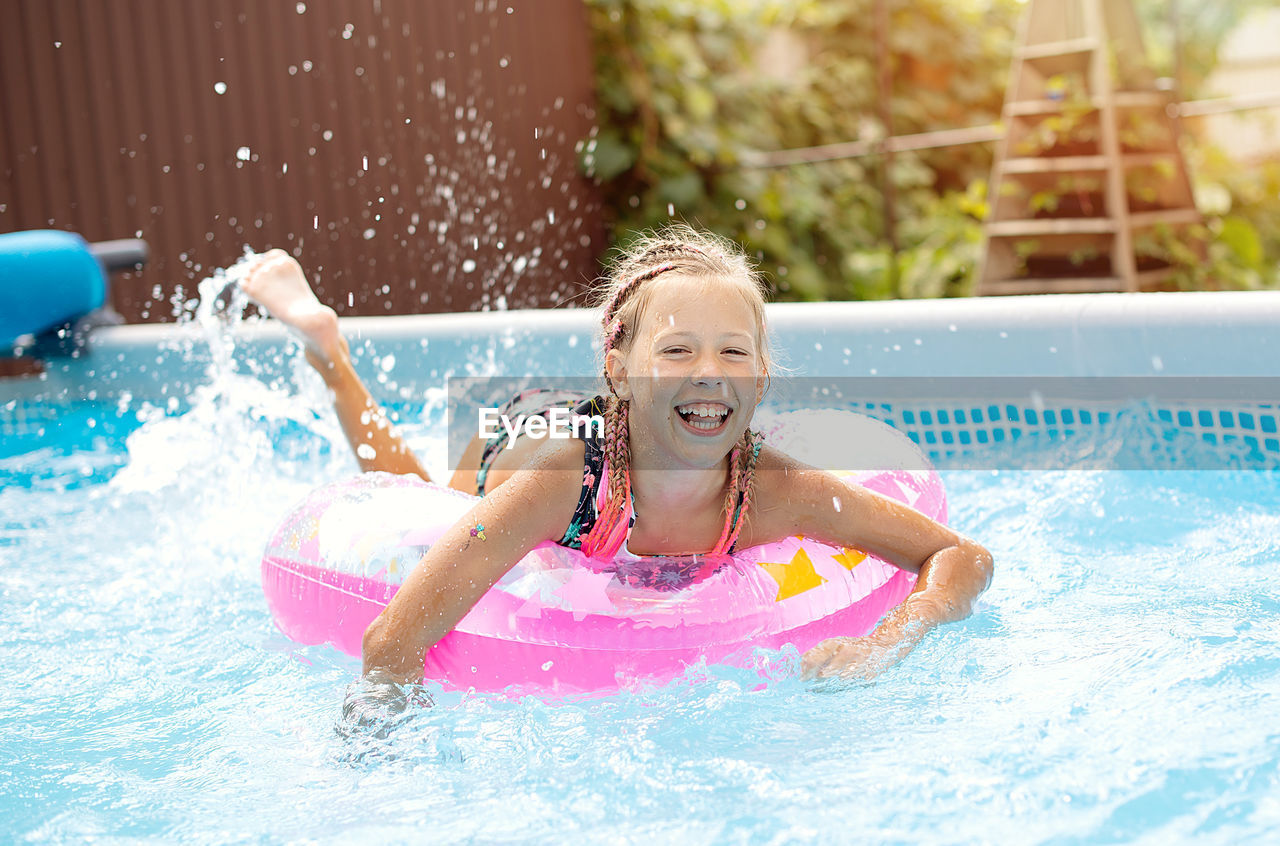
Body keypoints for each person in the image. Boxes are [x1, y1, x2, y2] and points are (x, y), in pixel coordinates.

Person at [241, 227, 992, 687]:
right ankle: (330, 352)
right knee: (418, 494)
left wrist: (886, 643)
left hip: (629, 430)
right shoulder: (561, 480)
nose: (710, 372)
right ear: (620, 371)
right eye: (677, 350)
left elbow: (960, 556)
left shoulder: (774, 488)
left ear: (761, 378)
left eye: (734, 352)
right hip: (531, 435)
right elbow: (392, 638)